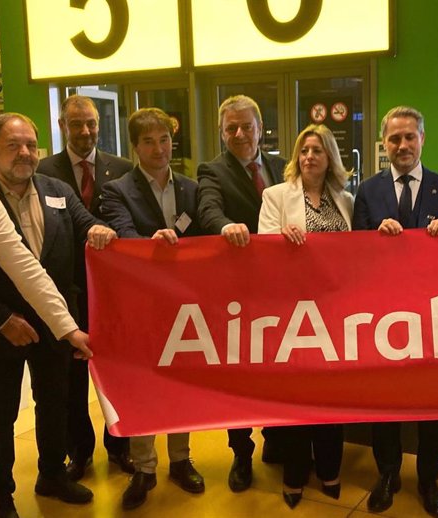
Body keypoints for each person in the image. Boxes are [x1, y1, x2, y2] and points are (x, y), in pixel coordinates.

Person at [0, 90, 93, 518]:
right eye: (14, 145)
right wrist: (0, 318)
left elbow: (26, 267)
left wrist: (67, 328)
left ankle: (41, 478)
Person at [0, 112, 116, 518]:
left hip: (55, 320)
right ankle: (0, 494)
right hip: (0, 325)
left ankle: (52, 474)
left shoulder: (56, 189)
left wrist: (98, 231)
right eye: (12, 146)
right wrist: (0, 318)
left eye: (30, 145)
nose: (24, 154)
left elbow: (84, 223)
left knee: (55, 403)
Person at [353, 106, 438, 518]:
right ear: (384, 145)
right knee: (385, 403)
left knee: (432, 405)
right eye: (394, 139)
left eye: (409, 137)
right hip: (383, 318)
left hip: (435, 318)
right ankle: (386, 476)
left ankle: (429, 480)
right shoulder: (367, 191)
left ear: (422, 139)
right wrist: (373, 237)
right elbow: (354, 254)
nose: (403, 145)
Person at [100, 107, 205, 510]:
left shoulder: (192, 189)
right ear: (135, 146)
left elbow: (203, 236)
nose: (159, 149)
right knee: (143, 385)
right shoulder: (117, 190)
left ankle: (180, 460)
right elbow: (123, 236)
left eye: (164, 140)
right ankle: (144, 468)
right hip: (141, 306)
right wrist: (149, 244)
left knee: (183, 383)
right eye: (148, 141)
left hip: (185, 307)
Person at [38, 94, 133, 480]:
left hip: (115, 294)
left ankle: (121, 447)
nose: (85, 131)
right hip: (67, 291)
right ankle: (80, 452)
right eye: (76, 124)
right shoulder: (43, 170)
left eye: (91, 123)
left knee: (119, 374)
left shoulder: (123, 168)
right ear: (62, 126)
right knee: (71, 381)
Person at [258, 123, 353, 508]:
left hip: (335, 314)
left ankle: (330, 470)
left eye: (317, 150)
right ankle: (295, 476)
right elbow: (261, 246)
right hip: (293, 315)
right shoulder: (276, 195)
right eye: (304, 150)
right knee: (296, 401)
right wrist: (283, 239)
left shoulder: (345, 198)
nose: (309, 156)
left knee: (332, 399)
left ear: (330, 157)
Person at [197, 94, 287, 491]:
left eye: (246, 127)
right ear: (222, 132)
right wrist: (226, 227)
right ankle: (241, 452)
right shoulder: (212, 170)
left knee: (277, 369)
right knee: (240, 373)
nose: (239, 134)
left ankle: (275, 437)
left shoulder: (282, 167)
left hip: (281, 291)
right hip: (237, 293)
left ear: (260, 128)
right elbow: (208, 210)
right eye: (231, 128)